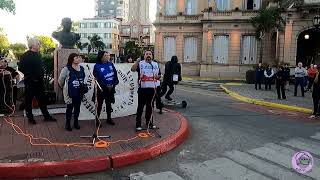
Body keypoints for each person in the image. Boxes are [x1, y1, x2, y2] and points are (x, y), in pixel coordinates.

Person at [18, 37, 56, 124]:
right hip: (30, 82)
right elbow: (21, 68)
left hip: (40, 81)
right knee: (29, 100)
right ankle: (30, 118)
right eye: (38, 43)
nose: (39, 44)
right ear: (32, 45)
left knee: (42, 100)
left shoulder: (38, 54)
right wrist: (30, 76)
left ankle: (46, 116)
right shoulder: (25, 55)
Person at [131, 50, 160, 131]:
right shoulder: (141, 63)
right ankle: (138, 124)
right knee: (140, 107)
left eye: (150, 54)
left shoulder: (155, 64)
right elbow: (132, 69)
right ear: (144, 56)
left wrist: (158, 77)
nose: (148, 55)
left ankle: (149, 123)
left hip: (152, 89)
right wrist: (137, 61)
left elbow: (159, 75)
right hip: (143, 89)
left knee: (150, 107)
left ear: (152, 56)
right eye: (146, 54)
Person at [58, 53, 86, 131]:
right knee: (69, 108)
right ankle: (68, 124)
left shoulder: (82, 68)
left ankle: (76, 123)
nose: (78, 59)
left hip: (79, 92)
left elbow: (83, 78)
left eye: (79, 58)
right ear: (71, 59)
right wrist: (65, 87)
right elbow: (60, 81)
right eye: (76, 58)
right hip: (70, 93)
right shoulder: (66, 69)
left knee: (77, 108)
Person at [93, 51, 119, 127]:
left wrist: (113, 84)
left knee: (109, 104)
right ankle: (97, 120)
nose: (108, 57)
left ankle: (109, 118)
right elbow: (96, 78)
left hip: (110, 89)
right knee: (99, 105)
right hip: (101, 89)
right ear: (101, 56)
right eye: (105, 55)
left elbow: (115, 76)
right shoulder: (97, 66)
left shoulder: (111, 64)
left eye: (108, 55)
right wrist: (105, 86)